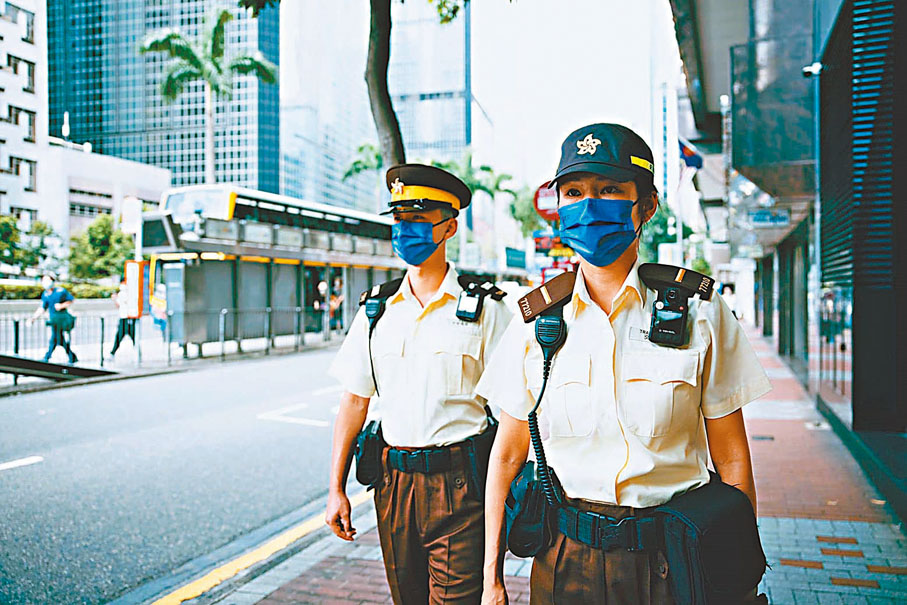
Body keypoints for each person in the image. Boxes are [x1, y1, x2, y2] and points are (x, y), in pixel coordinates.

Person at [477, 124, 772, 604]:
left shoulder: (700, 311)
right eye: (574, 192)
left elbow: (733, 457)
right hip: (563, 561)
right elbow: (508, 457)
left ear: (647, 205)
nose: (589, 205)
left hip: (671, 564)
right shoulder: (533, 322)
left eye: (610, 189)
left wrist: (739, 574)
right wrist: (492, 579)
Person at [325, 163, 512, 604]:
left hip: (460, 487)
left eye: (418, 221)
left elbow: (514, 413)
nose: (405, 231)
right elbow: (354, 401)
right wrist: (335, 489)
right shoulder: (376, 310)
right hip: (392, 487)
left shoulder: (486, 308)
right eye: (399, 220)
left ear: (448, 226)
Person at [27, 274, 78, 364]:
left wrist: (61, 306)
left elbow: (71, 300)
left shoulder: (60, 291)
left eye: (47, 280)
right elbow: (42, 308)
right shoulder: (45, 294)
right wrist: (33, 318)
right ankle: (72, 356)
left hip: (62, 319)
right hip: (53, 320)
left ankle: (47, 357)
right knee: (59, 339)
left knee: (55, 338)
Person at [109, 280, 136, 357]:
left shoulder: (125, 293)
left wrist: (115, 299)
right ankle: (113, 352)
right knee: (120, 335)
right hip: (125, 317)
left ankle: (113, 352)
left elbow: (119, 304)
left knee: (128, 335)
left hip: (127, 318)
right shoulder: (125, 293)